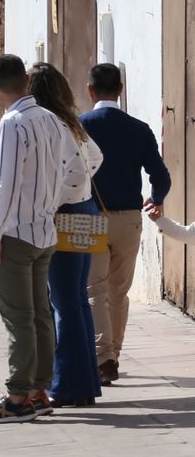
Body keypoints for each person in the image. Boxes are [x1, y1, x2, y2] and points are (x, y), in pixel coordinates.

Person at [0, 54, 83, 424]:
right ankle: (38, 389)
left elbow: (4, 185)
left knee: (20, 317)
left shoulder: (14, 123)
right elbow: (70, 170)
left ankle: (18, 395)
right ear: (25, 80)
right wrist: (48, 204)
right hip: (43, 230)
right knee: (39, 315)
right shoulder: (53, 120)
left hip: (15, 233)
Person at [82, 62, 170, 386]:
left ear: (89, 90)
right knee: (119, 291)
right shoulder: (138, 128)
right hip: (129, 220)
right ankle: (114, 353)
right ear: (120, 90)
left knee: (95, 289)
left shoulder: (79, 126)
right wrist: (156, 198)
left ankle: (103, 356)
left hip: (90, 218)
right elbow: (160, 175)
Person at [28, 62, 103, 409]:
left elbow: (74, 172)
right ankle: (83, 383)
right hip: (84, 210)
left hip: (66, 215)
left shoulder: (51, 124)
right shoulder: (70, 123)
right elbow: (94, 159)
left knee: (63, 302)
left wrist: (51, 202)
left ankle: (69, 384)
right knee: (75, 300)